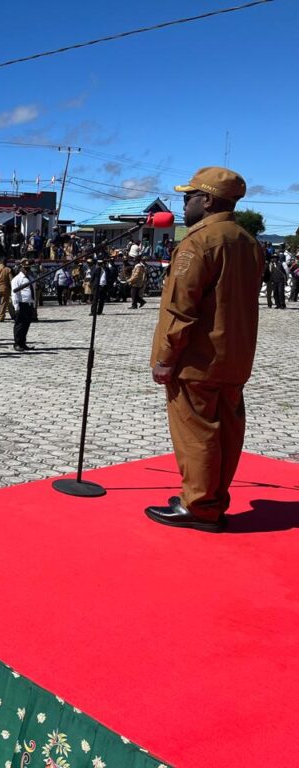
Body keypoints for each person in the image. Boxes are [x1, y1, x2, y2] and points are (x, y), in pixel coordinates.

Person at [147, 166, 264, 532]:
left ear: (208, 200)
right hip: (234, 357)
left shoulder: (198, 242)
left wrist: (166, 357)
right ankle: (212, 499)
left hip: (197, 359)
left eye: (190, 196)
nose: (184, 204)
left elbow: (181, 309)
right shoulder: (249, 242)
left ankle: (198, 506)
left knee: (197, 432)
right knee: (226, 433)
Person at [10, 259, 35, 352]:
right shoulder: (17, 279)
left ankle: (23, 342)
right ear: (21, 268)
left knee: (26, 325)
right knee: (19, 325)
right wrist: (16, 307)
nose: (27, 270)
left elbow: (33, 291)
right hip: (21, 304)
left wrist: (34, 304)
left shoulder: (30, 278)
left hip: (29, 304)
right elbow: (14, 294)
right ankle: (17, 343)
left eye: (28, 268)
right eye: (25, 268)